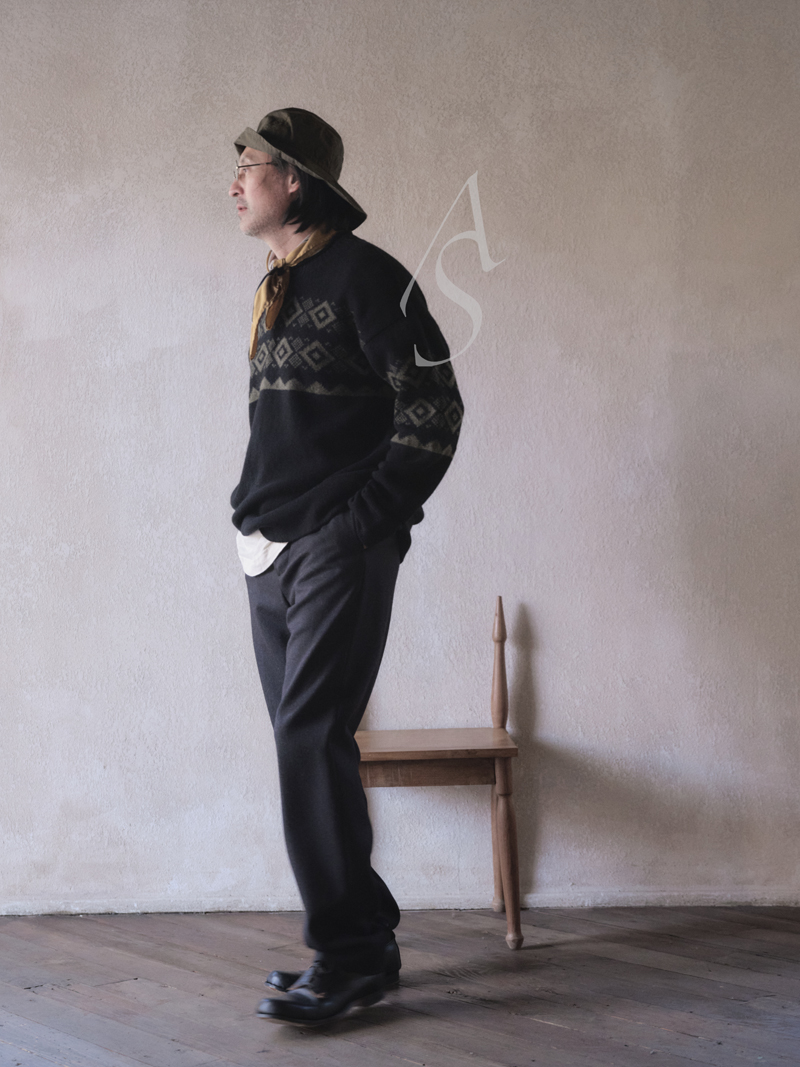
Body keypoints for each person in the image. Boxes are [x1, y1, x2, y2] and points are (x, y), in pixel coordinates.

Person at [228, 107, 463, 1024]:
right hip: (267, 546)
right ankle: (366, 932)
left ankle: (349, 958)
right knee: (309, 742)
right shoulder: (277, 285)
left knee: (308, 734)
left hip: (335, 544)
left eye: (250, 163)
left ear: (294, 178)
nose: (235, 180)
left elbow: (434, 407)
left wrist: (361, 523)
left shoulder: (370, 277)